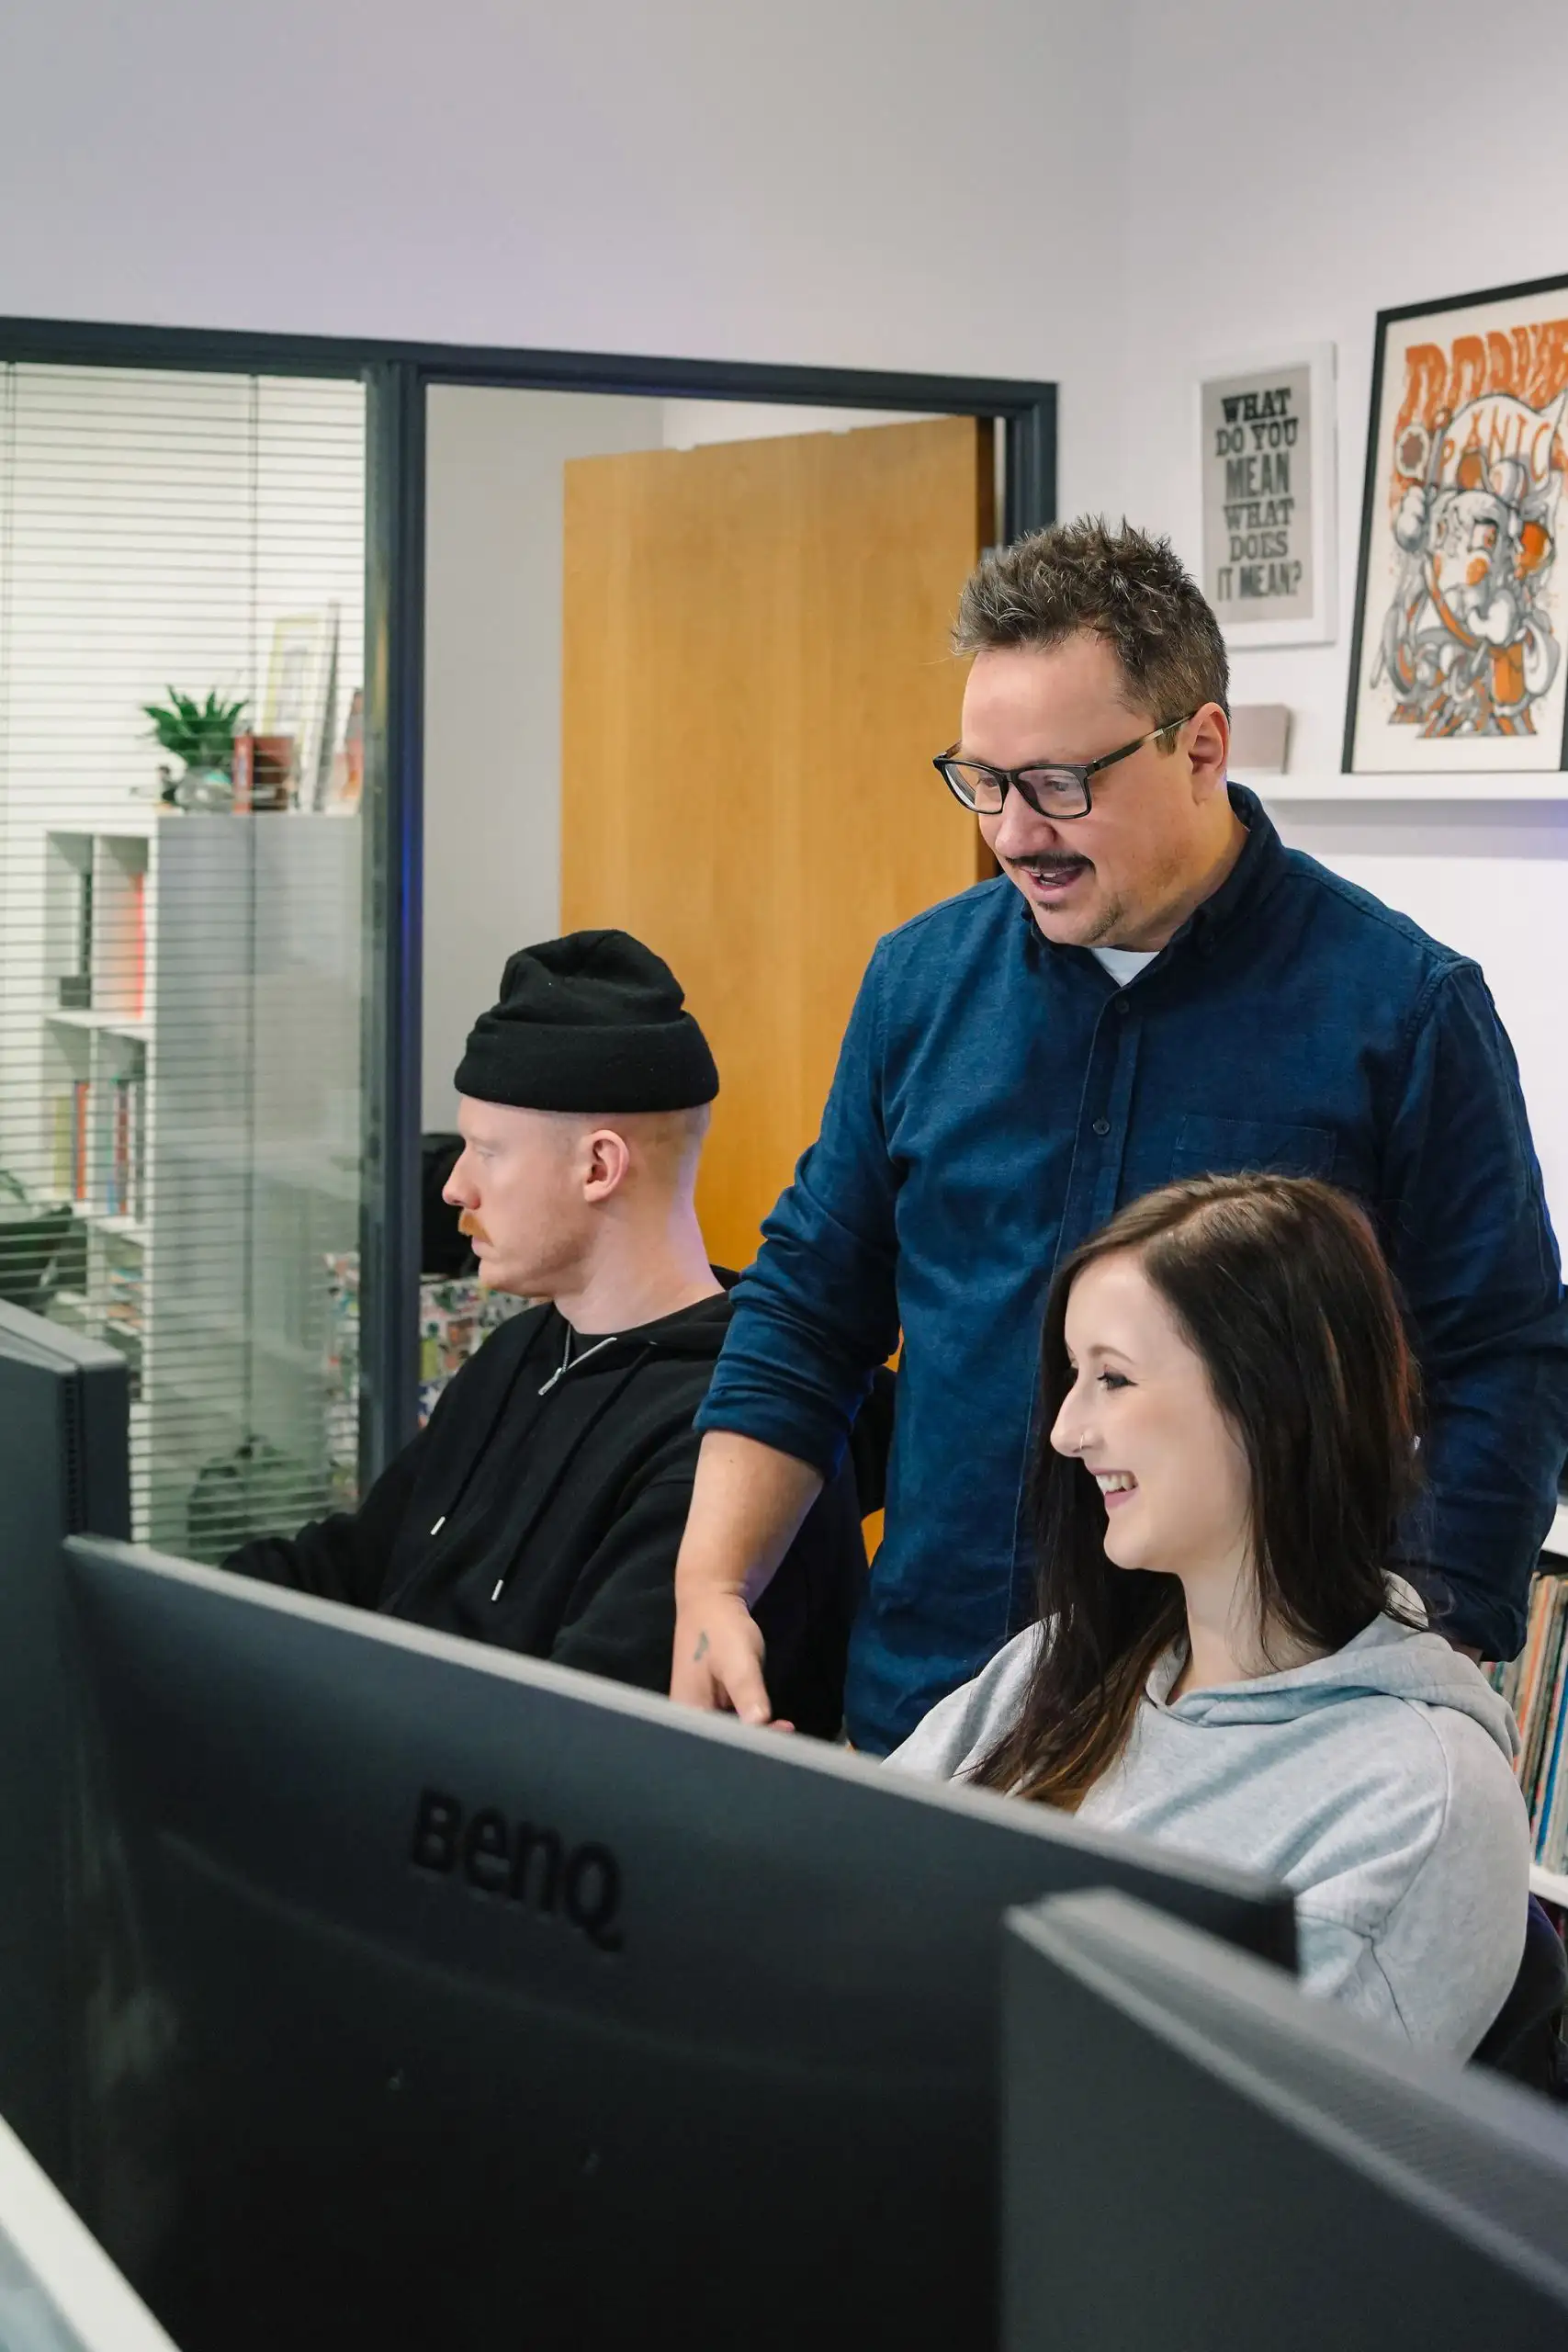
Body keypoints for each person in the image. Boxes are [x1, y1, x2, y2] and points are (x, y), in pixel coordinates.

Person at [671, 518, 1568, 1755]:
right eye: (980, 782)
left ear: (1199, 743)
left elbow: (1500, 1359)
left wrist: (1423, 1647)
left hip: (1248, 1737)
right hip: (934, 1703)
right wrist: (713, 1580)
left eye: (1056, 784)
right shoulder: (918, 986)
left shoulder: (1399, 1012)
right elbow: (809, 1307)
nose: (1009, 831)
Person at [887, 1173, 1531, 2053]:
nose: (1066, 1431)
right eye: (1072, 1378)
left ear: (1272, 1404)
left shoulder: (1420, 1800)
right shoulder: (1057, 1667)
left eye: (1112, 1379)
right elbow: (847, 1899)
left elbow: (1231, 2156)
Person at [224, 930, 864, 1734]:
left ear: (598, 1167)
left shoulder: (727, 1445)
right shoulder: (519, 1352)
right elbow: (357, 1565)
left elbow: (562, 1749)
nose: (454, 1187)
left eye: (486, 1153)